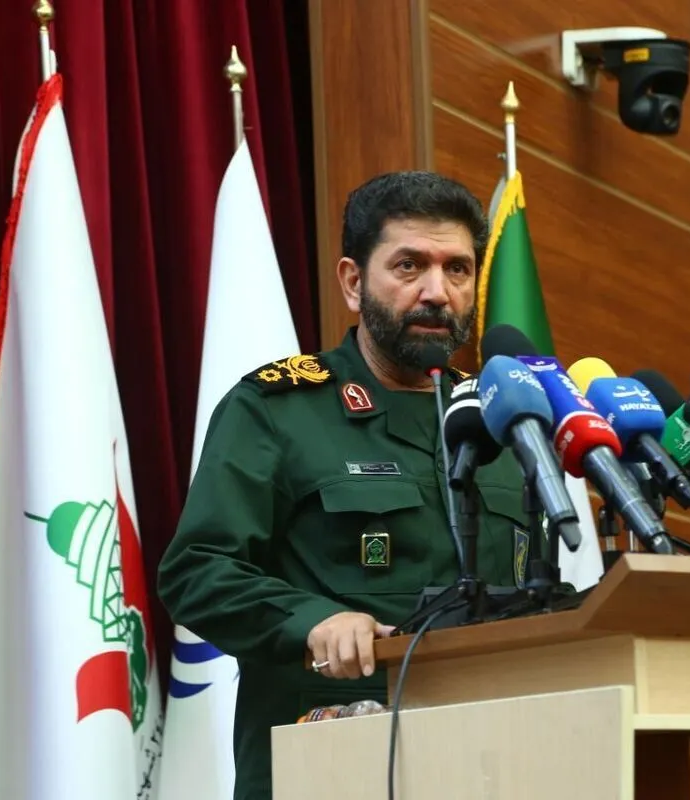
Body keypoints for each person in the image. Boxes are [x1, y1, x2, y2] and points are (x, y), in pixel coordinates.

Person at [157, 171, 534, 800]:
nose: (437, 292)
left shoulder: (504, 420)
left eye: (457, 269)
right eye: (409, 266)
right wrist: (312, 622)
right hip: (328, 764)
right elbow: (195, 570)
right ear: (354, 283)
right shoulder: (277, 411)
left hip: (491, 765)